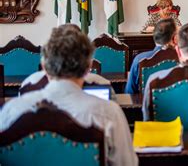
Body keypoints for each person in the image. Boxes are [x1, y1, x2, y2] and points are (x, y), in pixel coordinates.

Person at [0, 24, 137, 165]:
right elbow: (127, 163)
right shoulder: (108, 113)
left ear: (44, 66)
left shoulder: (10, 111)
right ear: (88, 67)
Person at [125, 18, 177, 94]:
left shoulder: (139, 59)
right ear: (174, 38)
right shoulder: (183, 59)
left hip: (147, 105)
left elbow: (129, 92)